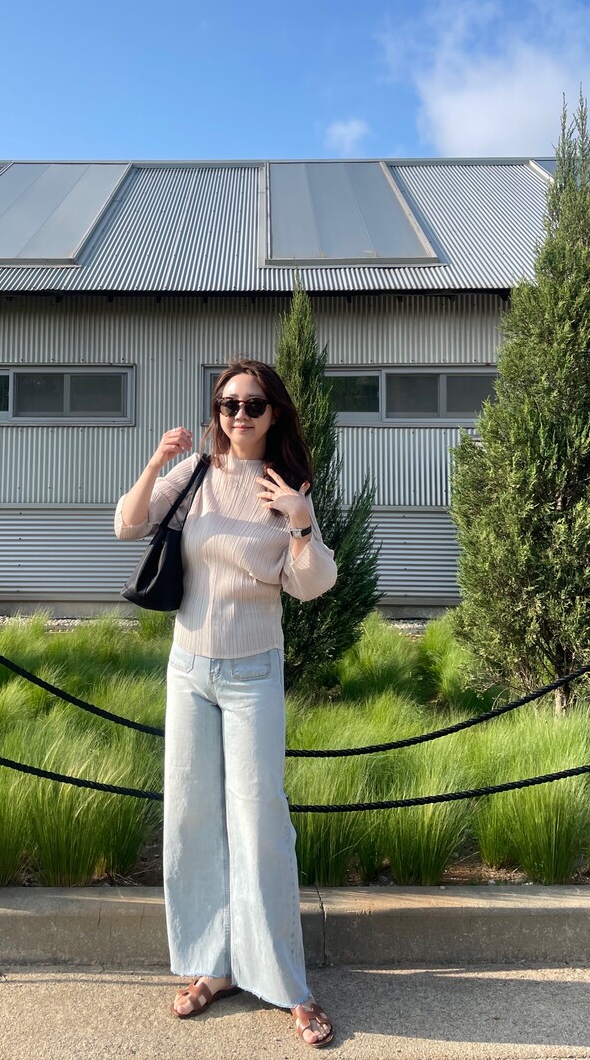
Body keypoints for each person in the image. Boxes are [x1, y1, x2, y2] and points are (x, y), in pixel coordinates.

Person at [115, 358, 338, 1048]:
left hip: (252, 673)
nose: (238, 415)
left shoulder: (285, 487)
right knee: (192, 816)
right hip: (189, 668)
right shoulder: (197, 473)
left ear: (274, 413)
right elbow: (127, 524)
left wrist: (301, 523)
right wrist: (157, 461)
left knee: (261, 820)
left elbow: (313, 584)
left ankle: (288, 983)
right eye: (228, 403)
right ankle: (213, 967)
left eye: (252, 404)